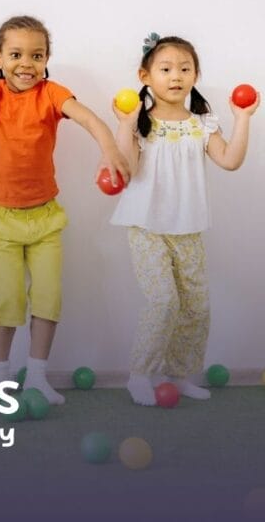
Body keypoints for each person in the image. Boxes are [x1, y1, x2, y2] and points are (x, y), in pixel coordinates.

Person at [0, 15, 129, 405]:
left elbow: (89, 118)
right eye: (16, 54)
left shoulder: (52, 94)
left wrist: (110, 149)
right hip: (0, 217)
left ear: (46, 60)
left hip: (45, 218)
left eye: (37, 56)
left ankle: (37, 376)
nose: (26, 63)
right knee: (8, 299)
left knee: (48, 297)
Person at [111, 34, 258, 405]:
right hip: (146, 226)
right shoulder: (141, 123)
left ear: (196, 75)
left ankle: (178, 375)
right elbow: (127, 169)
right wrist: (125, 124)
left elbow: (230, 160)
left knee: (196, 306)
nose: (175, 76)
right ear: (145, 76)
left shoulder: (202, 124)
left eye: (184, 68)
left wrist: (242, 118)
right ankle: (140, 375)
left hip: (188, 228)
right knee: (163, 302)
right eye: (165, 69)